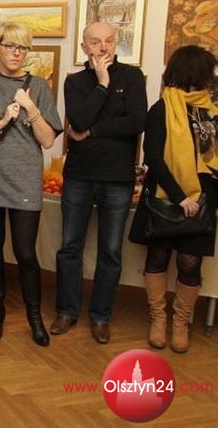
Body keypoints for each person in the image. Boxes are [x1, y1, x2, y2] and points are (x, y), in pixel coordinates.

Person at [0, 23, 62, 346]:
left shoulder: (39, 86)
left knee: (25, 252)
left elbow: (48, 140)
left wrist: (30, 108)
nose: (17, 53)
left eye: (23, 47)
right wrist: (2, 121)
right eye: (10, 46)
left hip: (25, 178)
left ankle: (35, 317)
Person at [52, 22, 147, 344]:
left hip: (117, 178)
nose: (103, 47)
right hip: (79, 175)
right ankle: (67, 311)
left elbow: (136, 122)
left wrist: (92, 131)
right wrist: (103, 84)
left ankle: (101, 317)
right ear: (84, 47)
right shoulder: (75, 81)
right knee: (70, 247)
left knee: (110, 251)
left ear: (116, 43)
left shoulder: (133, 77)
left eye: (108, 41)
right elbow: (77, 119)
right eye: (95, 42)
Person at [129, 45, 218, 354]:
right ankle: (158, 319)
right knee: (158, 258)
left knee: (189, 263)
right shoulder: (161, 109)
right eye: (208, 72)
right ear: (195, 73)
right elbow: (153, 158)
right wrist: (181, 198)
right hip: (166, 199)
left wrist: (202, 199)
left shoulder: (212, 111)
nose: (212, 78)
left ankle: (180, 323)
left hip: (202, 201)